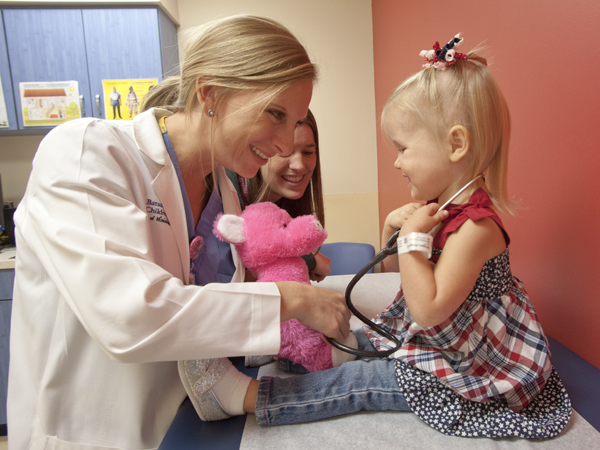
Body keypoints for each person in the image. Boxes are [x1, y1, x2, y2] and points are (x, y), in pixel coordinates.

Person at [7, 15, 351, 450]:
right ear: (209, 93)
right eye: (276, 114)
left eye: (296, 121)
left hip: (180, 427)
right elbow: (131, 316)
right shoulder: (89, 153)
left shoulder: (226, 193)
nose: (285, 145)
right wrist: (293, 298)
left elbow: (199, 337)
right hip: (87, 431)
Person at [234, 34, 572, 439]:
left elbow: (427, 309)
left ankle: (251, 398)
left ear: (455, 144)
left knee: (356, 383)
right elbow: (401, 279)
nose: (395, 162)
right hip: (431, 340)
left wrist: (412, 240)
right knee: (343, 339)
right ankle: (283, 356)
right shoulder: (443, 211)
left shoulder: (478, 229)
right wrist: (392, 233)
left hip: (464, 364)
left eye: (403, 148)